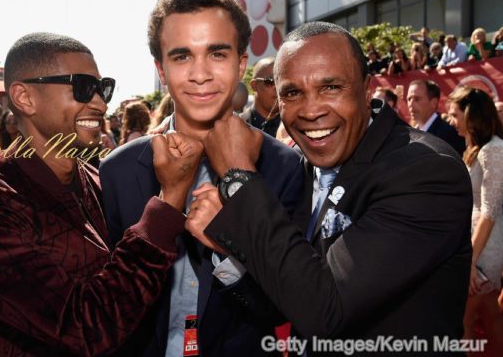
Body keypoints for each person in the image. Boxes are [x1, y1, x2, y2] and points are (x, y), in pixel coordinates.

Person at [185, 22, 473, 351]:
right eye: (293, 93)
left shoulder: (426, 172)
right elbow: (287, 296)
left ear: (366, 91)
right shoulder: (304, 168)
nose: (311, 110)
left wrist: (239, 180)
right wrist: (229, 251)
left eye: (331, 87)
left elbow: (325, 311)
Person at [0, 32, 203, 355]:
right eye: (83, 87)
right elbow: (85, 328)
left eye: (104, 89)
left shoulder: (98, 180)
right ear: (25, 97)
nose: (100, 103)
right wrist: (169, 201)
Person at [99, 0, 304, 357]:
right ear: (161, 70)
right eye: (181, 57)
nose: (200, 74)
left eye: (217, 53)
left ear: (241, 63)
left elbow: (293, 305)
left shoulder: (285, 167)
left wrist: (231, 247)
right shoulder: (117, 171)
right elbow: (106, 308)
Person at [448, 87, 503, 353]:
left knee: (463, 321)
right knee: (491, 316)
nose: (450, 120)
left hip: (484, 250)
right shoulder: (478, 149)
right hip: (477, 247)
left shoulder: (493, 150)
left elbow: (490, 210)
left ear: (470, 115)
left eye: (454, 114)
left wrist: (470, 258)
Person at [407, 79, 466, 155]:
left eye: (417, 99)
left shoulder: (448, 134)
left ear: (433, 103)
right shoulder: (409, 134)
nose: (410, 104)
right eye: (409, 99)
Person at [240, 57, 281, 137]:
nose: (277, 87)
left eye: (281, 81)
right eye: (270, 81)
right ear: (254, 85)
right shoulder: (238, 125)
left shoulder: (294, 127)